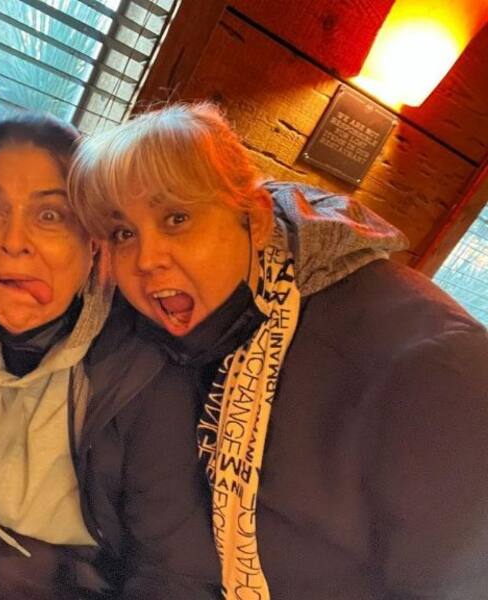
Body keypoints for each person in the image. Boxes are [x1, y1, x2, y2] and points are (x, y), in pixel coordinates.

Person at [68, 102, 488, 600]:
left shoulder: (432, 367)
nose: (146, 259)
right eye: (123, 233)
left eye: (177, 218)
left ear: (256, 218)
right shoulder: (177, 334)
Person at [0, 112, 220, 600]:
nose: (14, 243)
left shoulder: (145, 364)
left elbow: (177, 571)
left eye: (50, 216)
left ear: (95, 243)